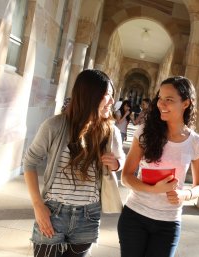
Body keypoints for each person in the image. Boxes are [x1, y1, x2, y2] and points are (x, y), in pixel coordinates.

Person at [23, 69, 125, 257]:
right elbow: (29, 162)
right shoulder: (54, 126)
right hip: (53, 212)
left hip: (88, 216)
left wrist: (116, 164)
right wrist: (38, 205)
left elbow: (121, 161)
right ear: (90, 96)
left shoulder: (111, 132)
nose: (112, 102)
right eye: (107, 95)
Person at [118, 76, 199, 257]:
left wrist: (185, 194)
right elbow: (126, 176)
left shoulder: (196, 143)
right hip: (135, 216)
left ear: (186, 103)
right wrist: (153, 189)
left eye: (169, 100)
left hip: (168, 224)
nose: (161, 104)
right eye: (160, 98)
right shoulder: (144, 132)